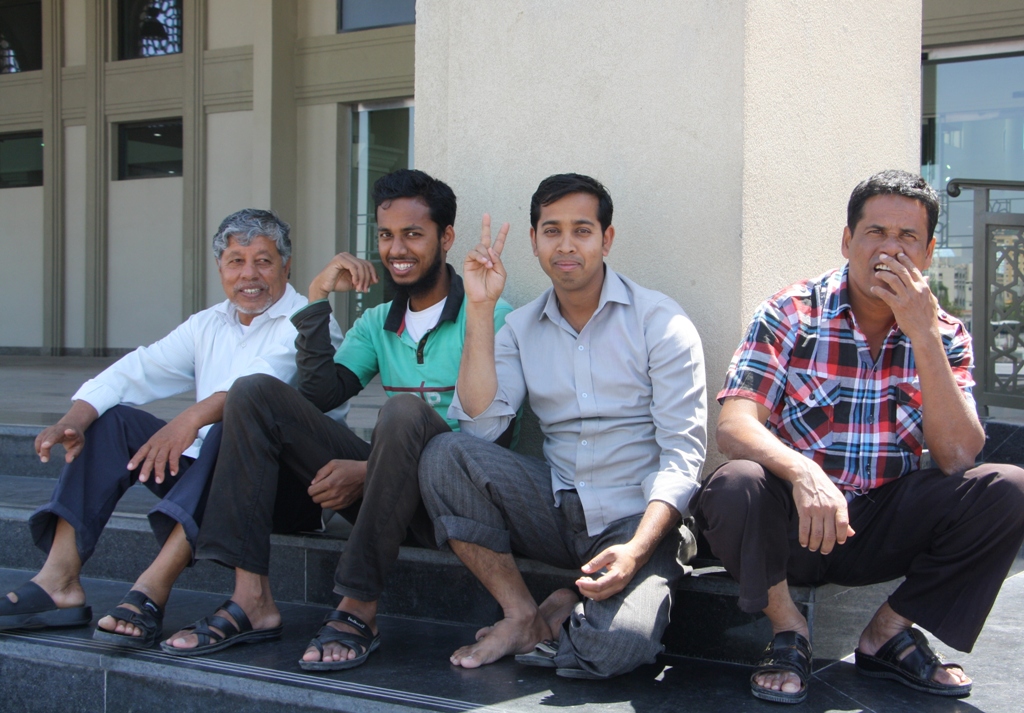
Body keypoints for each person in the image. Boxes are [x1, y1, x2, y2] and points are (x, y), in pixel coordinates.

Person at [160, 169, 514, 670]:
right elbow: (315, 397)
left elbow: (494, 437)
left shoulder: (491, 315)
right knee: (254, 392)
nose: (397, 249)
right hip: (393, 500)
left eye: (413, 234)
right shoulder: (376, 323)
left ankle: (358, 606)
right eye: (387, 235)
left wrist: (370, 470)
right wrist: (317, 298)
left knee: (403, 410)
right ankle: (249, 598)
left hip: (455, 505)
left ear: (446, 238)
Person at [696, 170, 1024, 704]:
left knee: (1008, 488)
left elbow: (958, 455)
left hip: (880, 524)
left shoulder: (945, 333)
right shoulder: (790, 312)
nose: (889, 250)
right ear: (848, 240)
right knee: (735, 483)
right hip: (796, 521)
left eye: (907, 238)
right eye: (875, 233)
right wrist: (804, 473)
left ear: (929, 251)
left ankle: (887, 633)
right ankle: (786, 628)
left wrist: (922, 335)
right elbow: (734, 425)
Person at [0, 209, 342, 650]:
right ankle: (58, 581)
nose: (249, 275)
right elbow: (137, 369)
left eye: (263, 260)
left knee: (229, 425)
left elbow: (260, 389)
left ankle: (152, 586)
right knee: (112, 419)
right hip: (213, 478)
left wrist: (186, 421)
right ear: (220, 268)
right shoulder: (208, 323)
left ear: (286, 266)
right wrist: (73, 420)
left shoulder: (309, 321)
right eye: (236, 261)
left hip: (292, 490)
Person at [418, 173, 707, 679]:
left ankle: (563, 607)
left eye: (582, 230)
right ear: (534, 241)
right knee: (444, 456)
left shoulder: (660, 322)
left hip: (635, 519)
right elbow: (481, 430)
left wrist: (638, 550)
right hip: (554, 506)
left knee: (614, 651)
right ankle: (521, 614)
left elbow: (684, 456)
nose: (566, 245)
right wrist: (481, 308)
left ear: (606, 238)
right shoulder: (520, 327)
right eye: (551, 231)